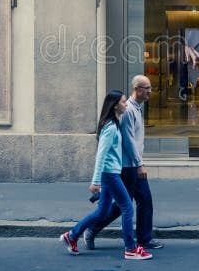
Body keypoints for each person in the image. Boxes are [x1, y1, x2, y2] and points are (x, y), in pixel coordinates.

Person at [59, 90, 152, 260]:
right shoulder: (110, 127)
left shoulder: (115, 124)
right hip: (110, 174)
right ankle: (131, 248)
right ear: (115, 105)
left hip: (111, 173)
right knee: (127, 208)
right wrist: (95, 181)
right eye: (123, 102)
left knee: (103, 212)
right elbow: (100, 155)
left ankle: (72, 236)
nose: (126, 104)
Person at [83, 75, 163, 250]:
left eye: (150, 87)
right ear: (137, 89)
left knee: (143, 200)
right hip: (129, 167)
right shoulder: (128, 111)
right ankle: (92, 230)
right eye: (147, 87)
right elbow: (128, 141)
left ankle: (143, 239)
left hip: (133, 165)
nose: (150, 91)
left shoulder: (137, 108)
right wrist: (139, 164)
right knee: (123, 205)